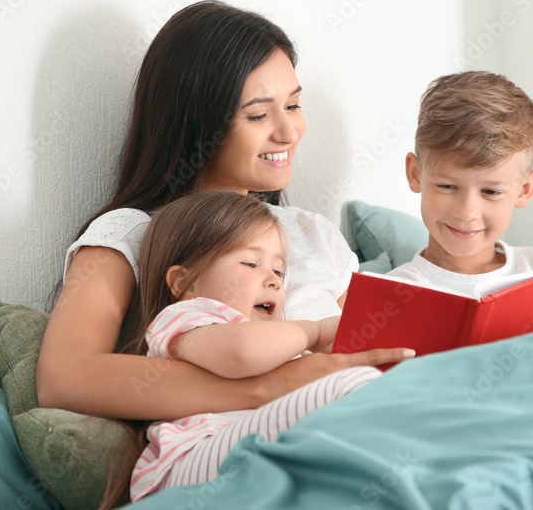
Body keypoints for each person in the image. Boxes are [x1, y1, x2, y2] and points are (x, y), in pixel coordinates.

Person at [36, 0, 411, 426]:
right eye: (258, 114)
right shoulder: (131, 233)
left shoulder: (314, 234)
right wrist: (264, 388)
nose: (289, 132)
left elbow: (370, 349)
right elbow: (62, 379)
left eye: (292, 105)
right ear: (195, 122)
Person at [124, 190, 381, 501]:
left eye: (279, 270)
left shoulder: (275, 340)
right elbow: (243, 352)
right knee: (355, 386)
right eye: (250, 263)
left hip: (252, 464)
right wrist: (316, 331)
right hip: (187, 465)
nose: (274, 280)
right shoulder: (186, 318)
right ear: (185, 283)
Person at [387, 71, 533, 328]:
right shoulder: (390, 296)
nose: (467, 212)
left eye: (490, 192)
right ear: (415, 174)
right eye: (447, 186)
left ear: (524, 189)